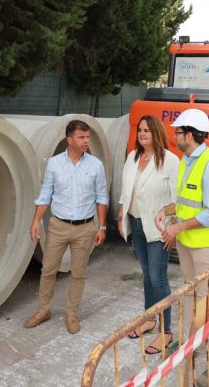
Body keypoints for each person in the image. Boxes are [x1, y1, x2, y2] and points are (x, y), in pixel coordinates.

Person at [155, 109, 209, 382]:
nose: (174, 135)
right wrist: (168, 211)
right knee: (191, 296)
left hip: (205, 245)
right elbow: (186, 202)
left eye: (177, 131)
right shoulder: (187, 160)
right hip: (189, 242)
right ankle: (192, 344)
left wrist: (177, 227)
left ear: (189, 135)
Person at [24, 120, 109, 334]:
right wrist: (35, 221)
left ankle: (72, 314)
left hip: (85, 228)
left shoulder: (95, 165)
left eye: (87, 137)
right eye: (81, 137)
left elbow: (101, 198)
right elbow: (45, 195)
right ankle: (44, 310)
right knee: (48, 270)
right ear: (69, 139)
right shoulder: (54, 163)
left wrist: (102, 227)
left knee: (79, 274)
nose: (86, 141)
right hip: (58, 226)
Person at [117, 115, 180, 355]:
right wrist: (123, 212)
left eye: (147, 130)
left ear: (156, 133)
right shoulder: (133, 157)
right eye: (140, 130)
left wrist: (172, 228)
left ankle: (165, 331)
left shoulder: (170, 161)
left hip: (158, 229)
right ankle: (149, 319)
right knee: (146, 275)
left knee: (158, 278)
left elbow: (177, 200)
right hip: (137, 223)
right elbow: (126, 189)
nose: (142, 134)